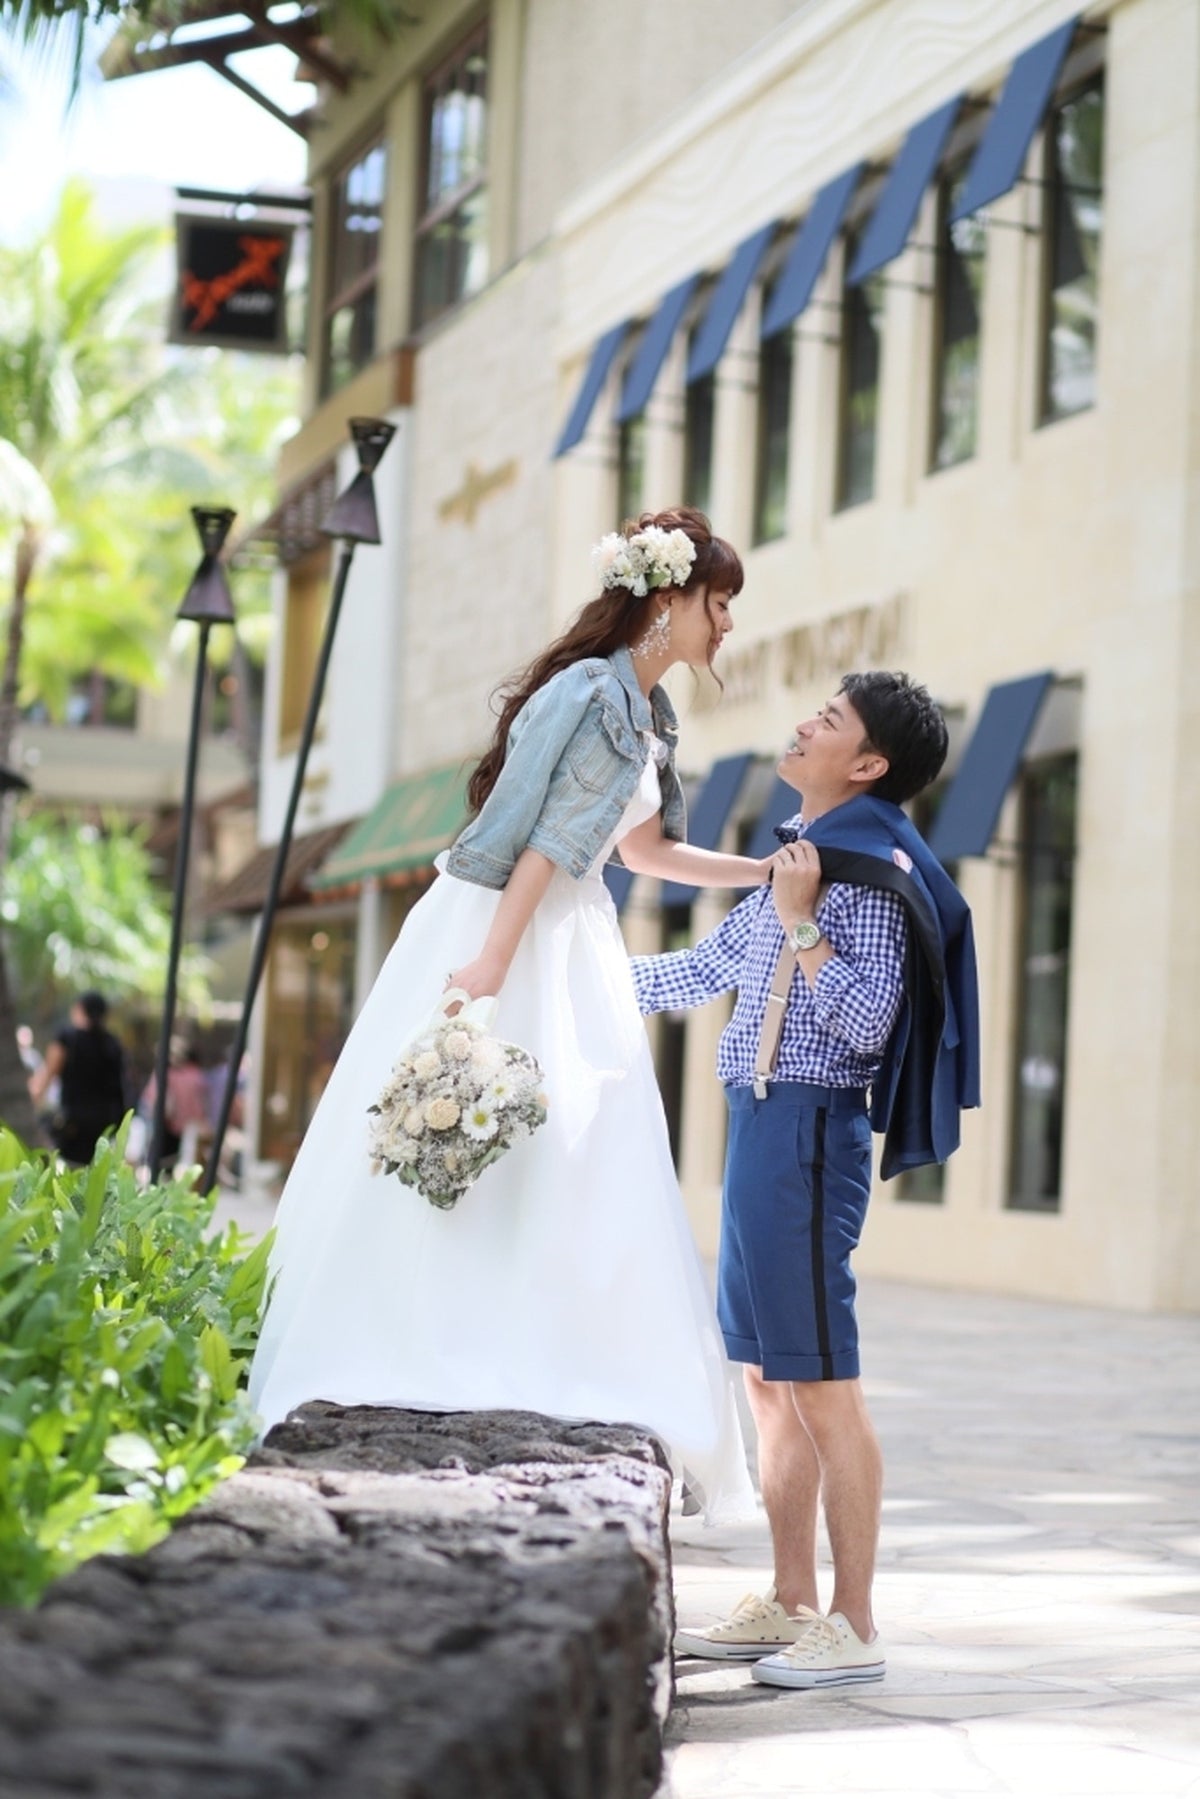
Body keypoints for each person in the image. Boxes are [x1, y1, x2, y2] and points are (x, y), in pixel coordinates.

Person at [249, 508, 777, 1520]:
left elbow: (643, 850)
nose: (727, 625)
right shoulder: (592, 694)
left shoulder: (647, 710)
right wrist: (493, 955)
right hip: (516, 917)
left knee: (572, 1149)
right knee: (481, 1122)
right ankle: (441, 1344)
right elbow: (541, 835)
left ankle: (540, 1343)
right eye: (720, 604)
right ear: (669, 601)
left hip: (560, 925)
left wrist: (758, 872)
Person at [632, 671, 980, 1685]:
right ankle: (789, 1600)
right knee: (770, 1379)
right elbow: (699, 972)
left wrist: (801, 922)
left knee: (823, 1383)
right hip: (758, 1123)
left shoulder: (861, 874)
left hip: (813, 1131)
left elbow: (867, 1025)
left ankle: (855, 1621)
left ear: (867, 765)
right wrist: (565, 982)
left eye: (827, 721)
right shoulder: (803, 858)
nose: (802, 724)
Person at [29, 990, 127, 1167]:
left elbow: (45, 1078)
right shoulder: (113, 1044)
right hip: (106, 1124)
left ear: (79, 1009)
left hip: (73, 1125)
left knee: (69, 1173)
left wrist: (28, 1105)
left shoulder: (67, 1038)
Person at [141, 1041, 212, 1168]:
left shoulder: (166, 1074)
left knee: (161, 1164)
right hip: (187, 1125)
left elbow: (151, 1101)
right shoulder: (196, 1075)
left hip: (167, 1125)